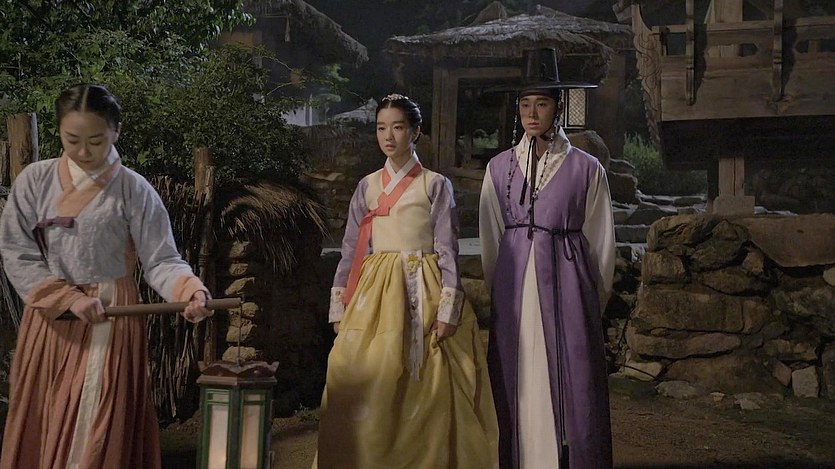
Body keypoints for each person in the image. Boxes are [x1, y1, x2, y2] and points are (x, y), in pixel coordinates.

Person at [0, 84, 212, 469]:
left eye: (95, 141)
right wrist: (68, 298)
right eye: (72, 140)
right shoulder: (35, 180)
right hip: (52, 318)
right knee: (47, 419)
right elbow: (17, 251)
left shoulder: (133, 189)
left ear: (116, 132)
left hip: (111, 318)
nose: (83, 152)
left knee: (99, 423)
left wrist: (189, 290)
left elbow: (162, 259)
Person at [314, 94, 498, 469]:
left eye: (398, 127)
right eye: (382, 128)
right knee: (360, 372)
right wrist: (341, 304)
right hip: (375, 292)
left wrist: (448, 309)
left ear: (415, 132)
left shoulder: (434, 184)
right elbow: (351, 249)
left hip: (423, 287)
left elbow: (447, 249)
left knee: (430, 379)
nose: (389, 136)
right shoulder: (367, 186)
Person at [479, 48, 616, 468]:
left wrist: (591, 298)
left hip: (569, 283)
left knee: (574, 374)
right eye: (525, 104)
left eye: (541, 104)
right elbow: (491, 236)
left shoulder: (586, 168)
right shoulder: (499, 167)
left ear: (557, 107)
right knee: (518, 370)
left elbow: (601, 240)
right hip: (515, 283)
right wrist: (502, 288)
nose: (531, 113)